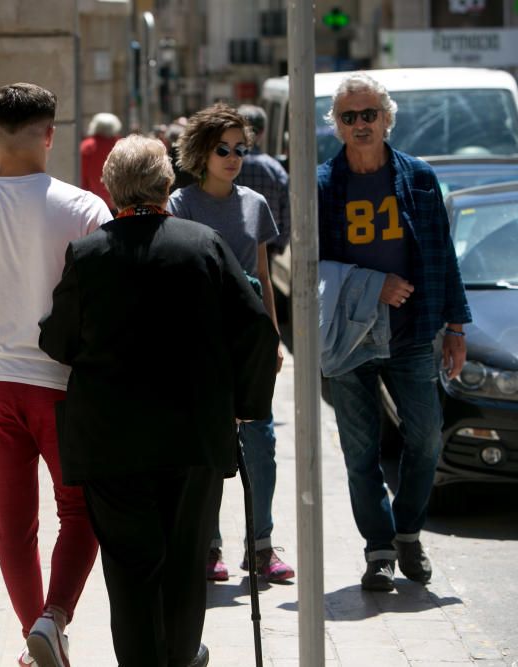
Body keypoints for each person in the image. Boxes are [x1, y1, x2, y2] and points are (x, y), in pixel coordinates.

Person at [40, 134, 279, 667]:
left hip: (112, 444)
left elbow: (57, 340)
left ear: (110, 188)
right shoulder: (204, 244)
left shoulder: (89, 253)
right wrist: (245, 404)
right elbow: (258, 330)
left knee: (129, 570)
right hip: (193, 438)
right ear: (168, 185)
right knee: (186, 563)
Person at [0, 82, 109, 667]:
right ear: (50, 135)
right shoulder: (85, 208)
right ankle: (54, 618)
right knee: (81, 510)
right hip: (64, 386)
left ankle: (36, 638)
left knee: (15, 525)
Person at [318, 72, 470, 591]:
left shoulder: (420, 177)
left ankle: (408, 532)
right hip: (351, 339)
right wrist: (370, 285)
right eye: (349, 117)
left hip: (412, 333)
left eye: (369, 115)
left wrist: (456, 325)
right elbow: (307, 266)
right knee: (359, 453)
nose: (360, 124)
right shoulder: (320, 186)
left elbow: (442, 256)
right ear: (336, 126)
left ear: (387, 118)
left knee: (426, 439)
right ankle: (379, 549)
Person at [169, 103, 294, 583]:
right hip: (203, 343)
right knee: (209, 448)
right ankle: (209, 545)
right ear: (202, 152)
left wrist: (273, 338)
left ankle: (260, 545)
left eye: (241, 148)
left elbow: (262, 276)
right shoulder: (182, 205)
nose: (234, 157)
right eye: (224, 148)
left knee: (261, 443)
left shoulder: (254, 203)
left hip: (248, 341)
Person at [235, 104, 291, 255]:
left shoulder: (225, 164)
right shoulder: (275, 169)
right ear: (263, 132)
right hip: (268, 247)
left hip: (231, 246)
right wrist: (280, 244)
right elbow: (288, 212)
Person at [79, 112, 122, 212]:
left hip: (93, 202)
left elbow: (83, 176)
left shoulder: (86, 146)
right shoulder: (121, 145)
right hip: (119, 202)